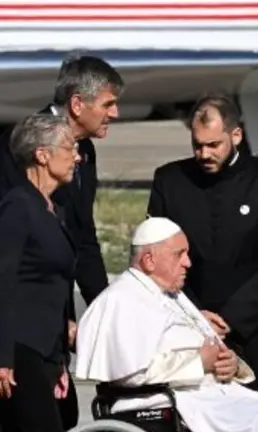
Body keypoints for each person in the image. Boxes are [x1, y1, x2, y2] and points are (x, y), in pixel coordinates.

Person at [146, 94, 258, 432]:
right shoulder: (170, 182)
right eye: (197, 145)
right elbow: (160, 258)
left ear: (236, 135)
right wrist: (197, 318)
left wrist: (231, 319)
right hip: (194, 327)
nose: (204, 154)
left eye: (213, 145)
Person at [75, 217, 258, 432]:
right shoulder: (123, 300)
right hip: (165, 401)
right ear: (149, 260)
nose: (188, 262)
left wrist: (229, 364)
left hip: (204, 393)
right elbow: (131, 374)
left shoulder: (172, 295)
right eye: (179, 254)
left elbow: (207, 347)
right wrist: (199, 363)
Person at [0, 54, 122, 428]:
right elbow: (10, 265)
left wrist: (105, 313)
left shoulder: (84, 153)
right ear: (77, 104)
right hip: (20, 337)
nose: (115, 113)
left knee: (65, 416)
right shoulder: (17, 152)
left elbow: (83, 240)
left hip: (50, 331)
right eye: (108, 104)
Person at [0, 114, 80, 432]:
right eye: (70, 148)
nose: (77, 157)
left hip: (47, 348)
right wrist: (3, 358)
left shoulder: (50, 209)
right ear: (42, 155)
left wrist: (62, 346)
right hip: (21, 348)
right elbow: (3, 282)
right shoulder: (18, 207)